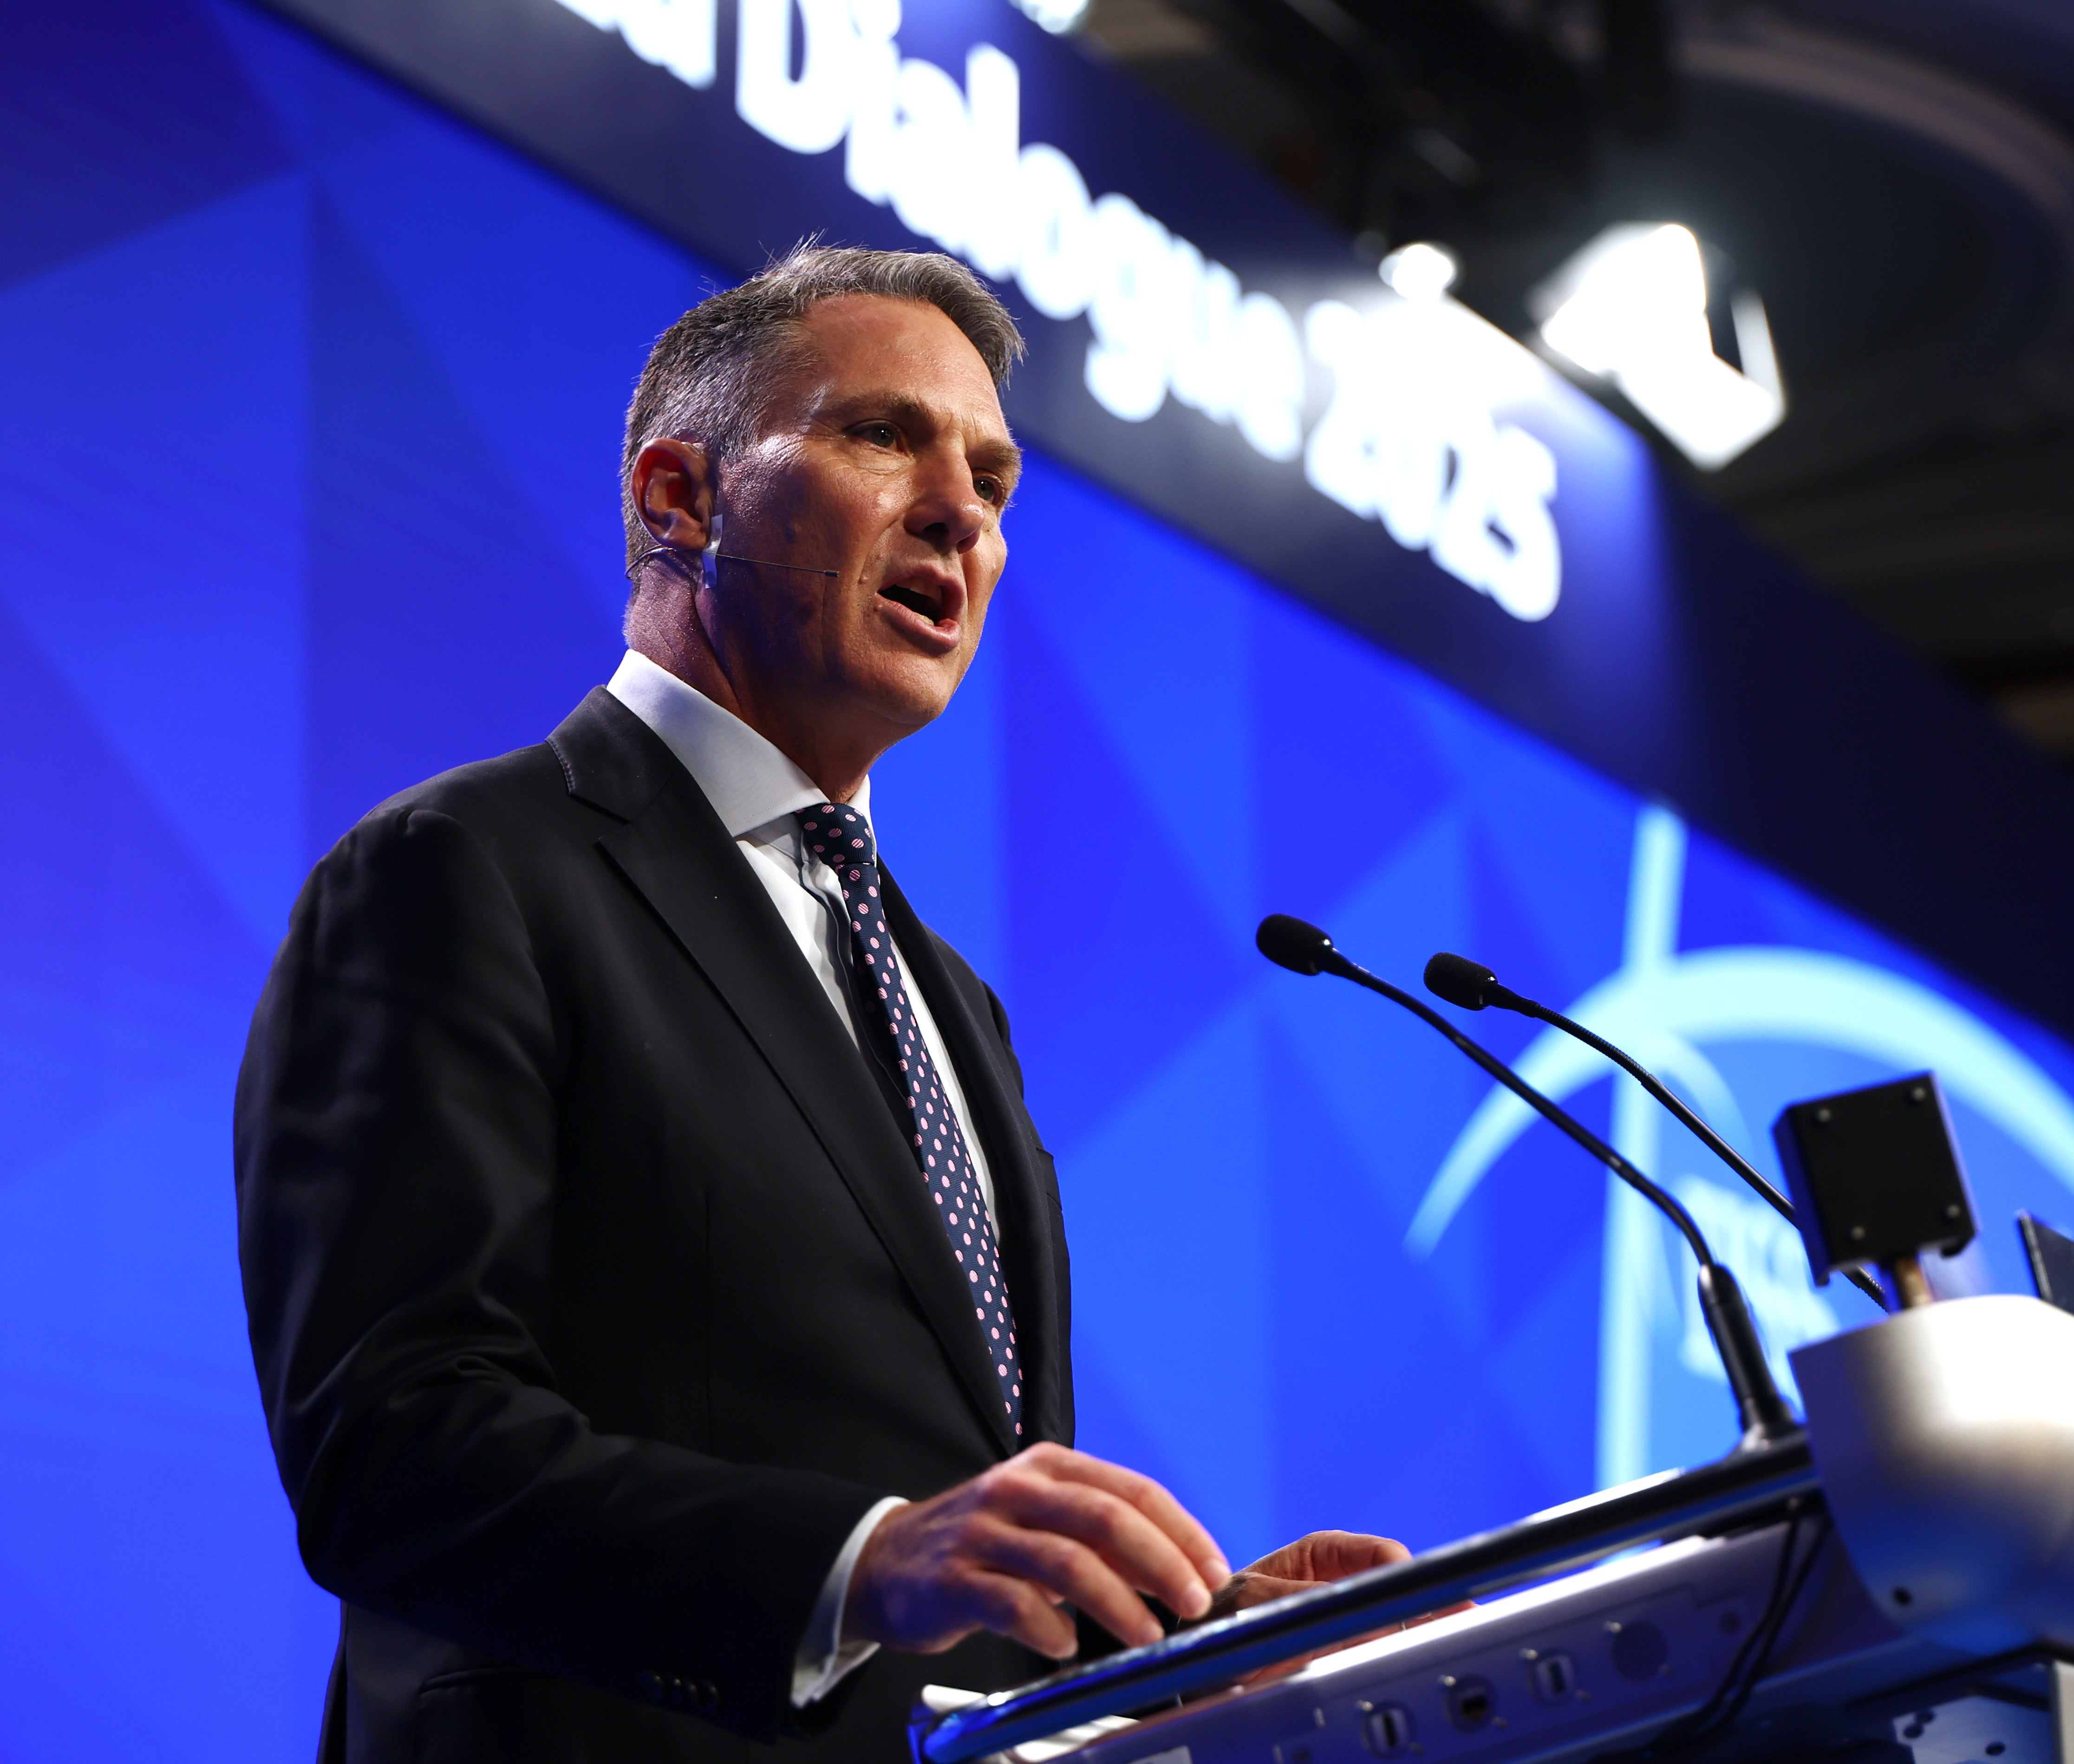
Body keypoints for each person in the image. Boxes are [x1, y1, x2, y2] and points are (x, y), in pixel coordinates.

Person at [236, 245, 1402, 1764]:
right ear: (680, 498)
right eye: (880, 436)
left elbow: (942, 1509)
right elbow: (390, 1449)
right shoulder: (464, 871)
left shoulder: (948, 999)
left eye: (992, 475)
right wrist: (856, 1563)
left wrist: (1181, 1638)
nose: (961, 509)